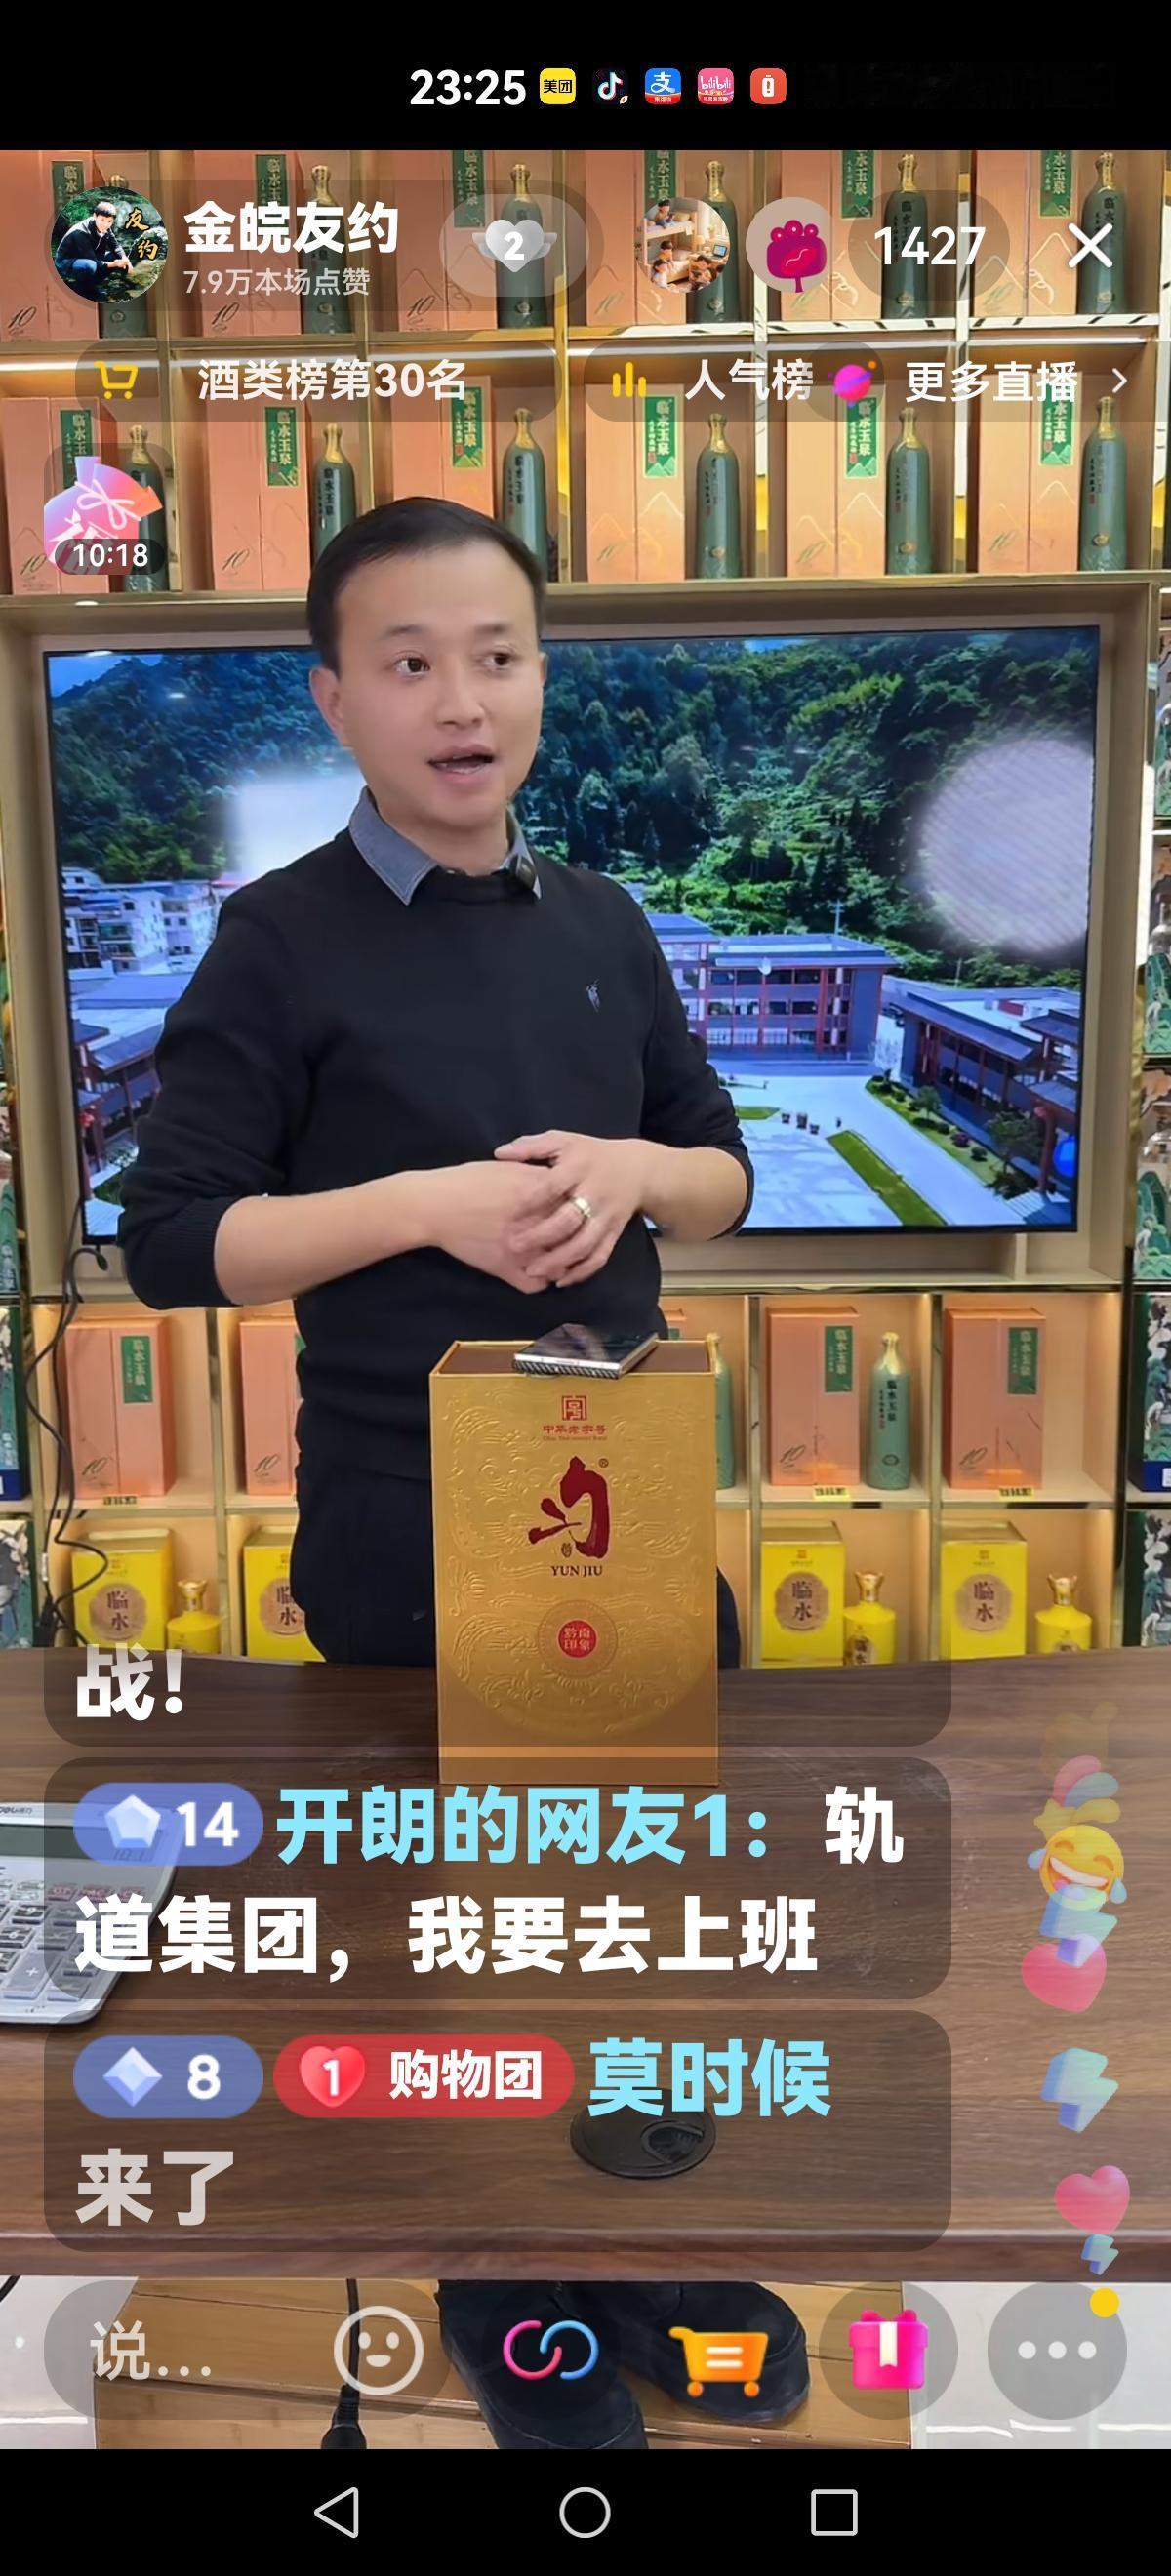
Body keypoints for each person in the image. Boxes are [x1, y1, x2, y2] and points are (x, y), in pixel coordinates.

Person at [119, 495, 809, 2450]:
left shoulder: (605, 923)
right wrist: (423, 1202)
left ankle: (656, 2257)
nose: (460, 701)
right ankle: (515, 2296)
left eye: (496, 657)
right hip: (410, 1535)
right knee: (477, 1946)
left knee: (647, 1922)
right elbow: (171, 1241)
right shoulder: (277, 940)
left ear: (540, 679)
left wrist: (636, 1172)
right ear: (334, 697)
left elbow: (724, 1175)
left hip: (625, 1509)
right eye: (408, 662)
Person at [54, 200, 130, 300]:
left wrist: (125, 259)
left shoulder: (105, 227)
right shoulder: (81, 232)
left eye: (109, 221)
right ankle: (79, 289)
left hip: (87, 257)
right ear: (95, 216)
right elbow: (93, 261)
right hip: (66, 262)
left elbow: (116, 246)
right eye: (102, 220)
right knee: (90, 266)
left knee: (115, 256)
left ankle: (91, 285)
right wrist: (114, 264)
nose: (105, 224)